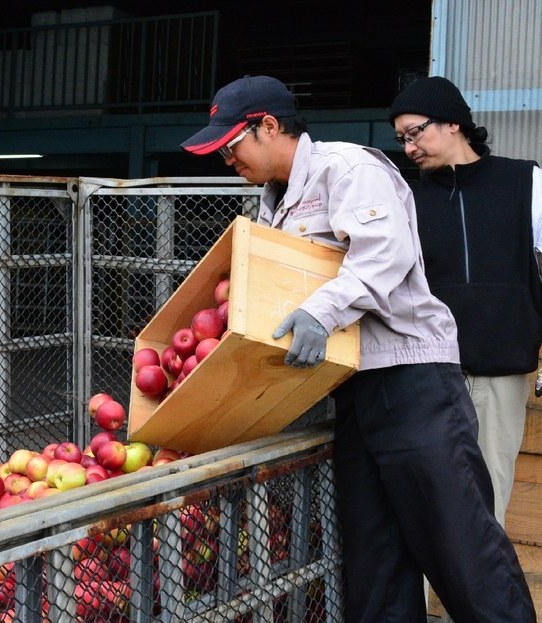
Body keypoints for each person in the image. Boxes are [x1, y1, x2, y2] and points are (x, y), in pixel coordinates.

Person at [181, 75, 535, 623]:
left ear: (269, 127)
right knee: (375, 560)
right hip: (352, 387)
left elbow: (381, 256)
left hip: (412, 382)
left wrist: (320, 314)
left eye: (231, 145)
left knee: (461, 546)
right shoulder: (271, 205)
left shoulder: (349, 170)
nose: (228, 159)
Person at [390, 75, 542, 526]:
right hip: (426, 375)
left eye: (415, 132)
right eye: (402, 139)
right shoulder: (406, 199)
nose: (409, 147)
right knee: (422, 508)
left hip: (501, 375)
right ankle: (419, 599)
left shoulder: (525, 181)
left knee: (485, 509)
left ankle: (470, 599)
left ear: (453, 123)